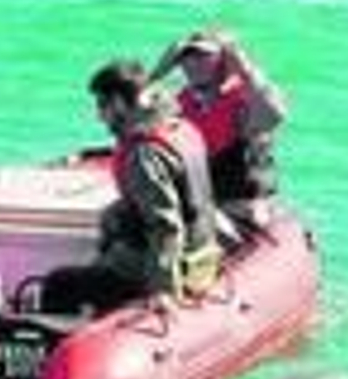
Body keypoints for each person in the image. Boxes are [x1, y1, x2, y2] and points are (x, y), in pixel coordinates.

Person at [39, 60, 221, 316]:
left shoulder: (145, 154)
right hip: (202, 257)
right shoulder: (182, 128)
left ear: (119, 104)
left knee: (59, 284)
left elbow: (165, 226)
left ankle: (61, 348)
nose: (99, 115)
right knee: (112, 220)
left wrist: (163, 290)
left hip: (161, 268)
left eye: (102, 105)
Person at [151, 27, 287, 222]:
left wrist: (244, 68)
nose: (193, 63)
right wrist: (157, 74)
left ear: (226, 60)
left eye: (204, 56)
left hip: (239, 204)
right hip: (200, 201)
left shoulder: (244, 99)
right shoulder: (183, 101)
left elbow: (273, 115)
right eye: (187, 57)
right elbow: (132, 113)